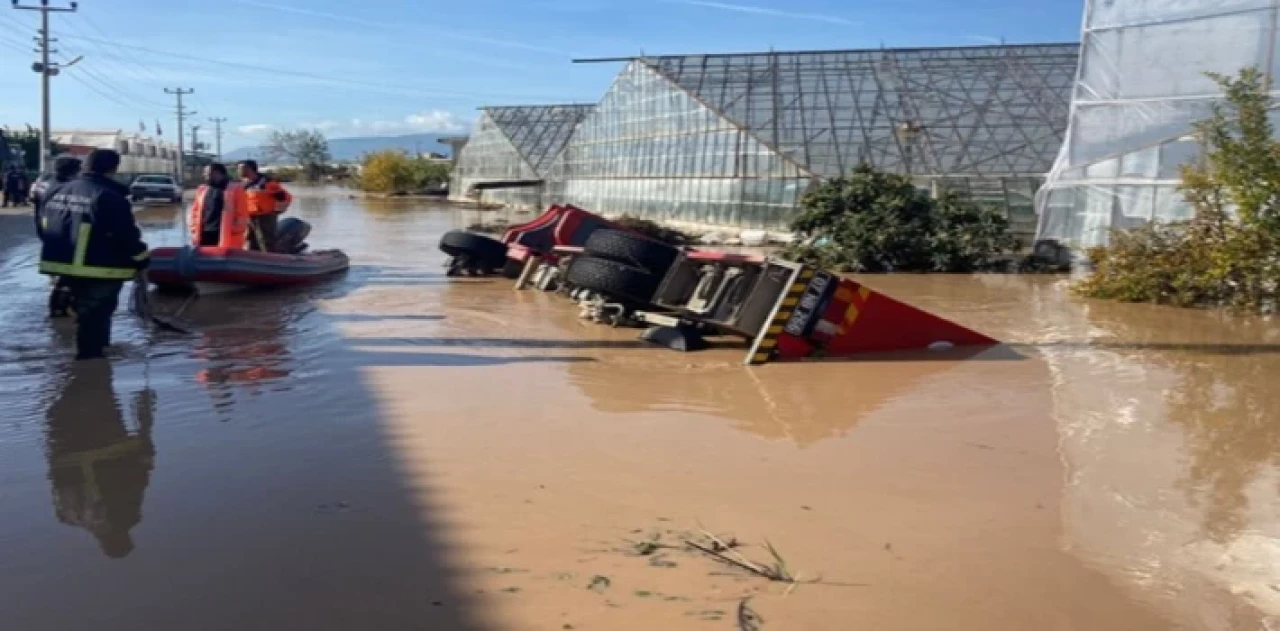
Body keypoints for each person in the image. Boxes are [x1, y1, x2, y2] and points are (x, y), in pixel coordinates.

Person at [37, 149, 150, 360]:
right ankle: (90, 370)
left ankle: (93, 360)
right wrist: (142, 259)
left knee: (84, 314)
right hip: (100, 268)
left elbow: (44, 227)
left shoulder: (55, 191)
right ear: (114, 168)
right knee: (94, 316)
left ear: (86, 166)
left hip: (62, 266)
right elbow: (126, 236)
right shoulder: (109, 196)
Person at [45, 359, 155, 559]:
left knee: (94, 375)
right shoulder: (72, 517)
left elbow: (142, 467)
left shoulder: (126, 513)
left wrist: (145, 418)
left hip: (100, 441)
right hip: (66, 440)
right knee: (80, 375)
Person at [33, 156, 85, 319]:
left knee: (60, 277)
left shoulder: (44, 186)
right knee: (68, 278)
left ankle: (59, 313)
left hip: (50, 236)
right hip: (65, 237)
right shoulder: (71, 187)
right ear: (74, 171)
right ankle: (63, 311)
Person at [189, 163, 249, 248]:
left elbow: (242, 214)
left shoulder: (235, 189)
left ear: (217, 173)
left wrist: (233, 230)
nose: (204, 175)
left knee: (224, 260)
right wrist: (193, 228)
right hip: (204, 234)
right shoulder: (202, 190)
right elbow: (194, 212)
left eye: (207, 173)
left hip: (227, 235)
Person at [238, 159, 292, 252]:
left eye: (241, 168)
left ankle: (270, 262)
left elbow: (286, 197)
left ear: (250, 169)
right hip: (249, 217)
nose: (239, 171)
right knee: (249, 241)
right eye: (238, 169)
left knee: (266, 242)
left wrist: (279, 210)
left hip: (265, 217)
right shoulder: (242, 185)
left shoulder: (267, 183)